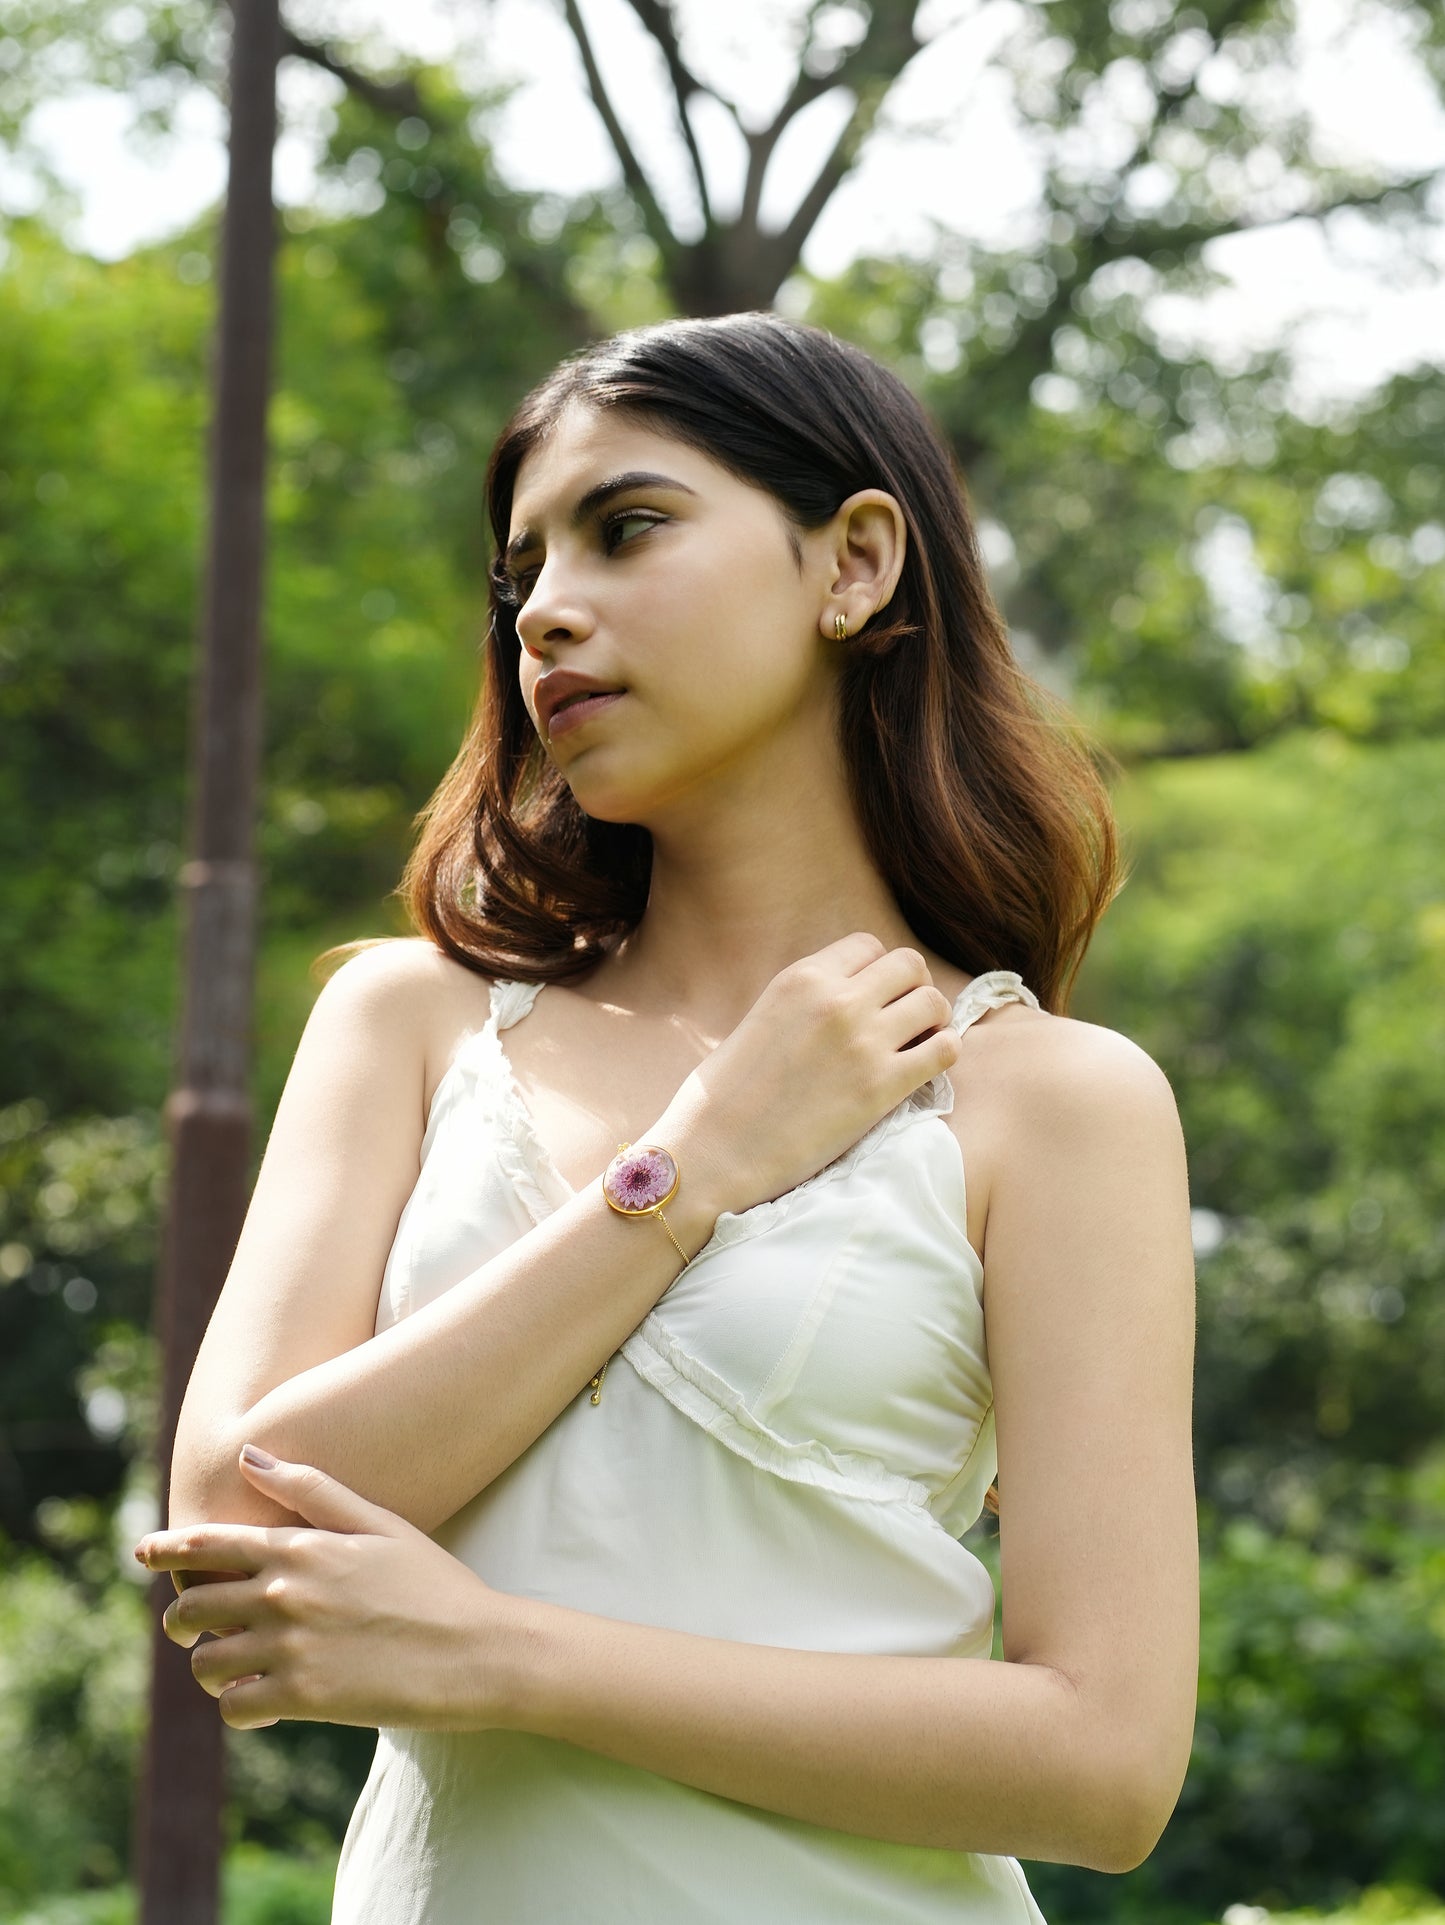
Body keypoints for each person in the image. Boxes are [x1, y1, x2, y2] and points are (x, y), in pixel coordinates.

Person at [135, 312, 1199, 1923]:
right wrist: (689, 1166)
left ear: (851, 565)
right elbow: (229, 1522)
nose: (547, 610)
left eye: (626, 527)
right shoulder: (409, 1024)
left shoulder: (1055, 1104)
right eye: (519, 576)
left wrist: (504, 1656)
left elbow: (1102, 1762)